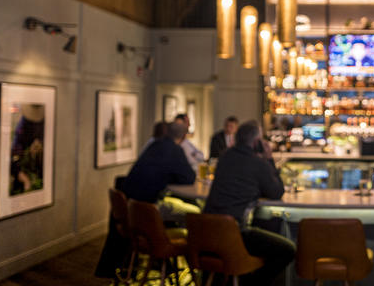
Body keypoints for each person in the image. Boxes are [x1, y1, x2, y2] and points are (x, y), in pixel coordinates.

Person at [203, 120, 295, 286]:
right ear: (256, 142)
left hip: (207, 233)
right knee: (287, 250)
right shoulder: (258, 164)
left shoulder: (225, 157)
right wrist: (269, 158)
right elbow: (276, 192)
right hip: (234, 235)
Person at [121, 122, 196, 204]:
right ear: (184, 137)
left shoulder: (154, 144)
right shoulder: (175, 150)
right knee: (189, 208)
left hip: (129, 200)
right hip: (145, 204)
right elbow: (189, 179)